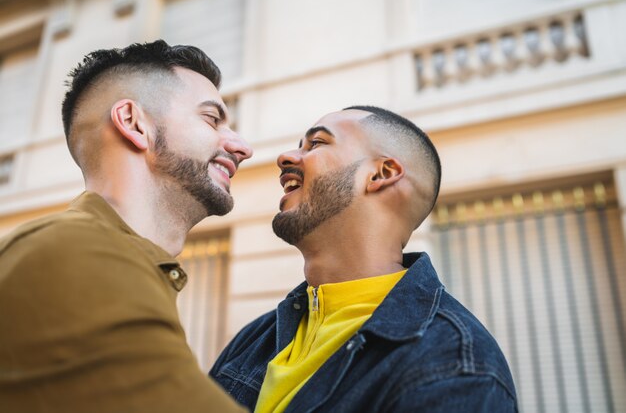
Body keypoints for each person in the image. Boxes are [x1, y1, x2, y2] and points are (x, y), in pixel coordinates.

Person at [210, 106, 518, 412]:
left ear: (381, 174)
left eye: (316, 143)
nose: (285, 158)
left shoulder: (455, 365)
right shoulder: (256, 338)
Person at [0, 40, 252, 412]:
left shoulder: (121, 259)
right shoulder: (76, 255)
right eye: (212, 119)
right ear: (134, 124)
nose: (243, 147)